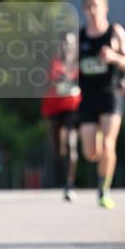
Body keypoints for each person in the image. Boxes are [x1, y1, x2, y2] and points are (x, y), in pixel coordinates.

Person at [77, 0, 125, 209]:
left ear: (105, 8)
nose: (92, 11)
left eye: (96, 6)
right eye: (88, 6)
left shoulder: (115, 32)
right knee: (91, 153)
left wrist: (114, 57)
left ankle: (104, 190)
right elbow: (69, 66)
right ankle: (100, 149)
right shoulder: (80, 36)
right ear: (84, 10)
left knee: (109, 144)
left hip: (110, 96)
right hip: (88, 98)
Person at [41, 31, 81, 200]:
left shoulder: (80, 64)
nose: (67, 46)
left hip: (73, 107)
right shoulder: (52, 63)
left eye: (70, 43)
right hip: (54, 109)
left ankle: (69, 185)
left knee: (71, 144)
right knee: (59, 149)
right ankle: (60, 177)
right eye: (64, 43)